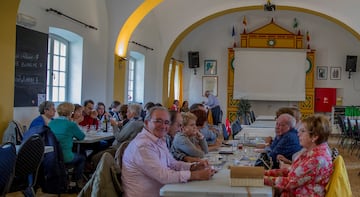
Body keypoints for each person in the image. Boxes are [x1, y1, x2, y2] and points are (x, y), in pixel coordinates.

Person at [122, 106, 214, 197]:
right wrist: (196, 175)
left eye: (166, 122)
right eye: (158, 121)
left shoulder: (158, 140)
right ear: (146, 123)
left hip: (164, 191)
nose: (163, 126)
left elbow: (171, 163)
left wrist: (193, 167)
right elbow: (163, 176)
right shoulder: (143, 145)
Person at [264, 114, 333, 196]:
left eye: (302, 131)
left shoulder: (317, 159)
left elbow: (289, 182)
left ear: (314, 136)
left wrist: (259, 179)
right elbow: (290, 170)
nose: (298, 134)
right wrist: (264, 173)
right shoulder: (309, 151)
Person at [48, 102, 86, 188]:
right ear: (71, 112)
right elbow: (81, 137)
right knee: (82, 158)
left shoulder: (51, 123)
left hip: (52, 156)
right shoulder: (71, 124)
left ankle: (67, 180)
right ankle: (76, 181)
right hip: (65, 157)